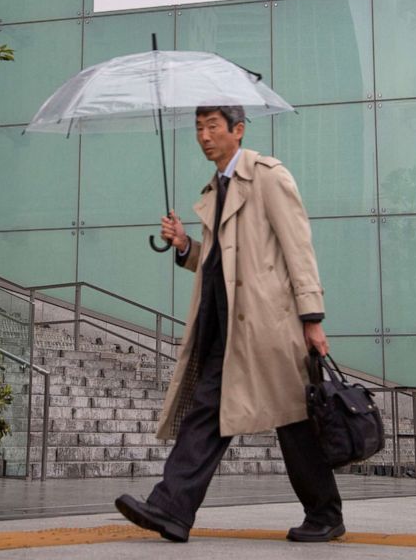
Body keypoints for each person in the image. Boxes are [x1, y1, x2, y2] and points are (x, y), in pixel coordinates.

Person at [115, 105, 344, 544]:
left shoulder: (268, 176)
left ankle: (325, 512)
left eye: (213, 127)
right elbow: (220, 261)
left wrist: (311, 318)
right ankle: (172, 508)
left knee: (294, 422)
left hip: (268, 326)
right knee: (206, 414)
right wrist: (185, 246)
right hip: (224, 327)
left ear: (237, 130)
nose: (203, 136)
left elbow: (299, 249)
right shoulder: (215, 188)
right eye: (198, 128)